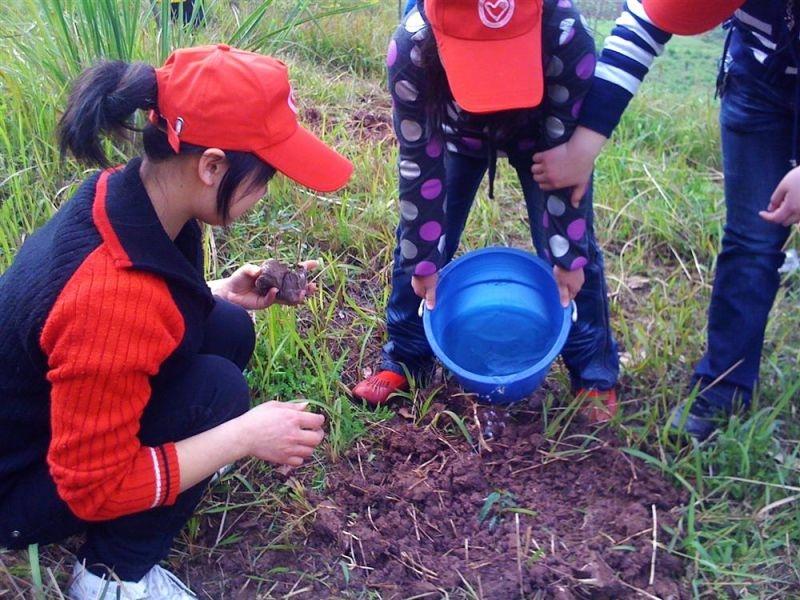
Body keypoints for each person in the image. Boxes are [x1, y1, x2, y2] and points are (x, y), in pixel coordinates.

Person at [0, 44, 352, 598]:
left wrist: (216, 292)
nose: (264, 194)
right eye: (265, 178)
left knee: (227, 326)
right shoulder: (111, 297)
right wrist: (240, 437)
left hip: (53, 412)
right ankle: (111, 577)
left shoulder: (127, 194)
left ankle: (182, 460)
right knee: (218, 395)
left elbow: (116, 318)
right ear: (211, 166)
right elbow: (92, 487)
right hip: (22, 484)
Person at [531, 0, 800, 441]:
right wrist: (583, 146)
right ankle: (723, 390)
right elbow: (643, 24)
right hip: (760, 74)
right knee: (752, 239)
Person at [352, 0, 620, 421]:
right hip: (455, 133)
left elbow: (565, 151)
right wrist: (423, 262)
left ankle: (593, 373)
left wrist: (567, 254)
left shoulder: (564, 32)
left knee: (575, 256)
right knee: (420, 245)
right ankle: (404, 358)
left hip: (542, 138)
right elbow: (419, 166)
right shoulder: (413, 44)